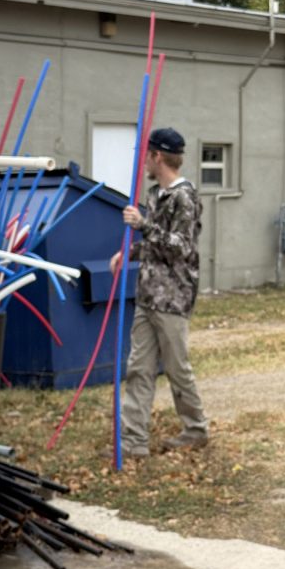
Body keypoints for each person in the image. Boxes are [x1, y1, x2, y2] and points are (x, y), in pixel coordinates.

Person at [109, 126, 208, 458]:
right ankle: (134, 442)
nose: (144, 164)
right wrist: (129, 254)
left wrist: (142, 225)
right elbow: (154, 244)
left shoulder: (185, 197)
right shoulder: (155, 195)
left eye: (147, 156)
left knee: (177, 368)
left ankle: (195, 429)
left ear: (158, 156)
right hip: (148, 294)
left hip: (172, 297)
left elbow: (180, 247)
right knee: (138, 368)